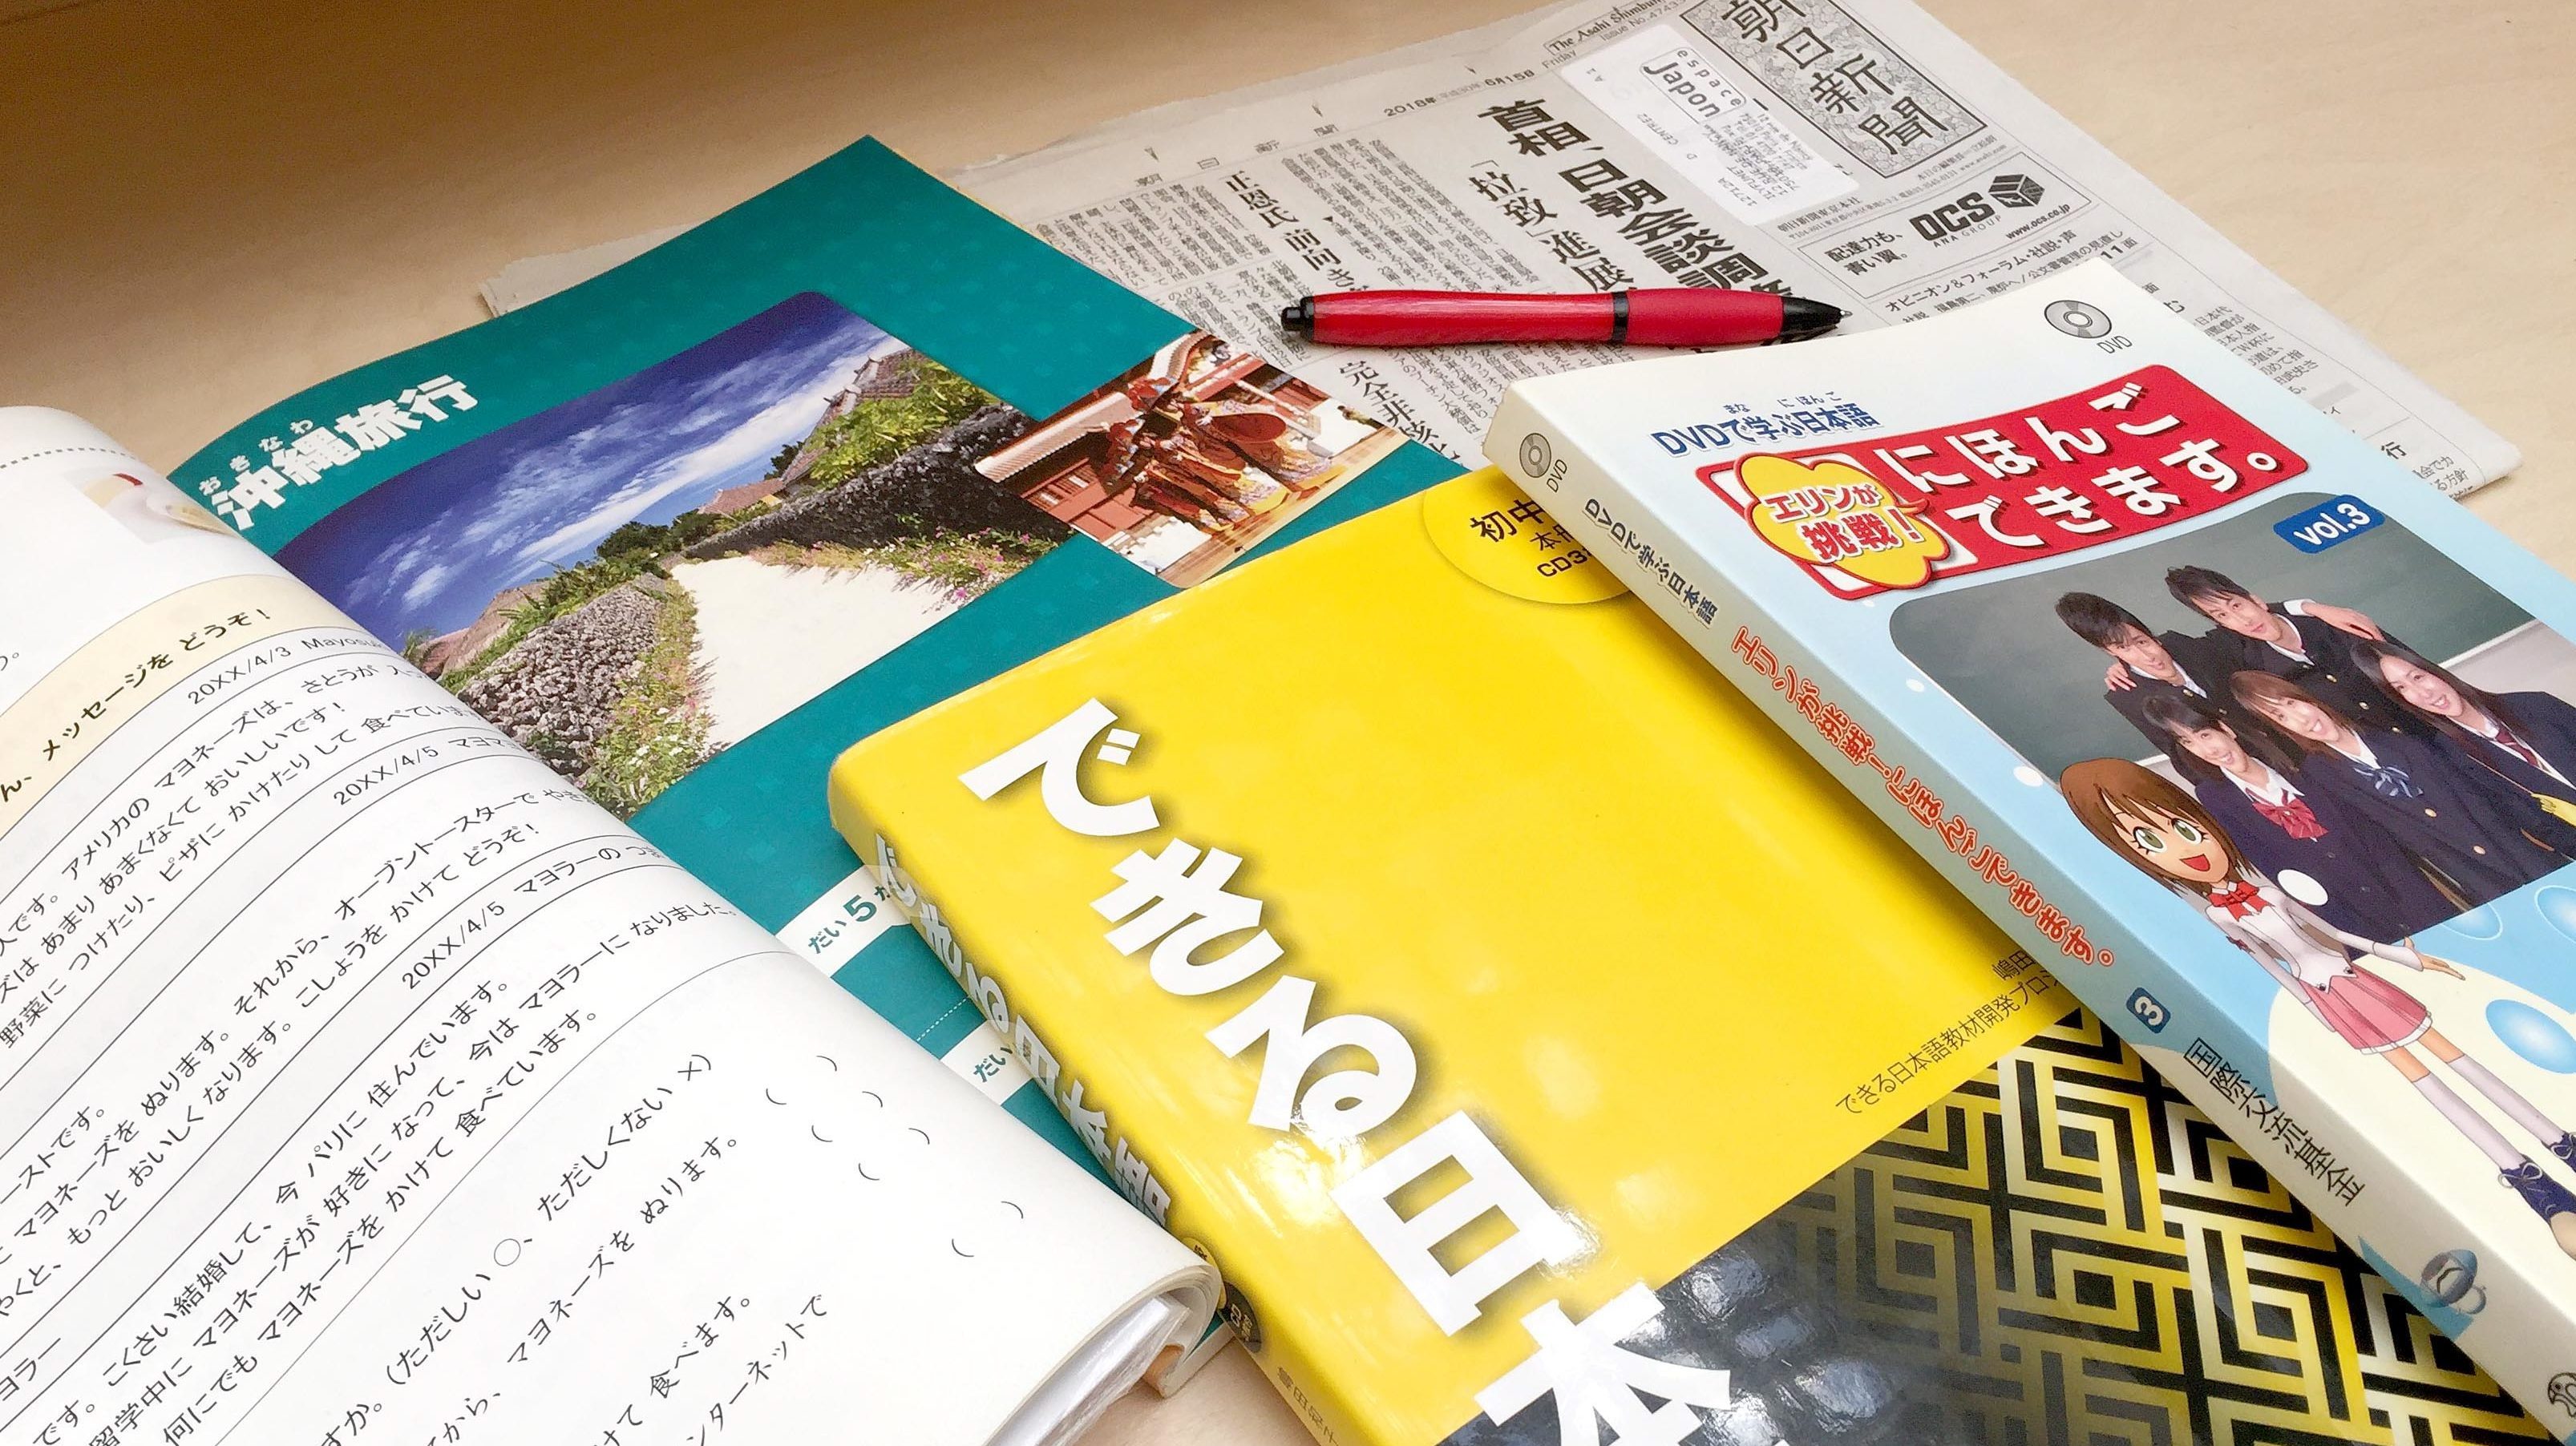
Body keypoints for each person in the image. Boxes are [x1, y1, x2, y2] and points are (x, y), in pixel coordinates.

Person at [2060, 757, 2576, 1257]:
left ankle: (2558, 1141)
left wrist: (2405, 958)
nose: (2183, 849)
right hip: (2331, 1001)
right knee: (2425, 1082)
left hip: (2356, 978)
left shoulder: (2268, 891)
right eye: (2148, 842)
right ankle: (2532, 1184)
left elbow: (2337, 934)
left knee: (2456, 1058)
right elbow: (2273, 969)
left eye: (2183, 828)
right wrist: (2312, 1016)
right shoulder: (2221, 918)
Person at [2231, 671, 2576, 907]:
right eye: (2281, 717)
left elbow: (2481, 794)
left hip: (2525, 851)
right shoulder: (2321, 778)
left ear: (2308, 698)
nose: (2301, 719)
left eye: (2292, 704)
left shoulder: (2396, 735)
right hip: (2480, 882)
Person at [2142, 693, 2455, 941]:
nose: (2206, 750)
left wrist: (2404, 878)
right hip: (2340, 906)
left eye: (2205, 735)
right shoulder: (2215, 797)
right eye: (2189, 743)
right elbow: (2269, 862)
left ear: (2226, 730)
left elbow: (2369, 826)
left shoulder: (2298, 763)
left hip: (2396, 878)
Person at [2165, 567, 2425, 738]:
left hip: (2428, 724)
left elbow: (2417, 669)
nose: (2242, 620)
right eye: (2222, 616)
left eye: (2236, 605)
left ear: (2256, 600)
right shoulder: (2262, 669)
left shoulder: (2334, 623)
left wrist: (2309, 608)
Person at [2052, 592, 2278, 780]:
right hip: (2244, 774)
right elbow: (2184, 762)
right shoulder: (2128, 696)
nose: (2145, 656)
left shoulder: (2180, 644)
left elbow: (2241, 645)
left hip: (2282, 740)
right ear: (2109, 652)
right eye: (2123, 648)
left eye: (2141, 642)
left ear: (2153, 636)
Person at [2352, 637, 2576, 821]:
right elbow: (2537, 824)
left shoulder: (2535, 705)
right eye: (2402, 688)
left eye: (2418, 677)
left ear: (2434, 671)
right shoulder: (2456, 759)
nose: (2424, 694)